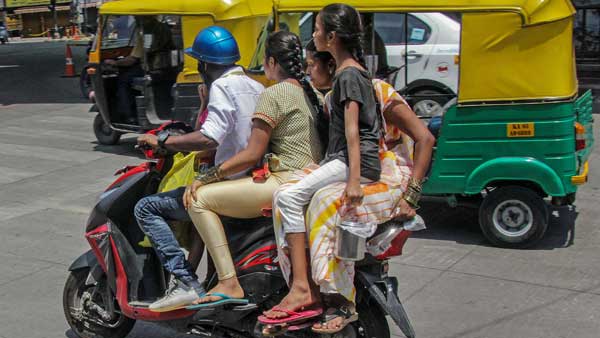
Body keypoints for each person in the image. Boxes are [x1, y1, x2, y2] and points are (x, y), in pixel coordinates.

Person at [265, 3, 435, 334]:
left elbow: (424, 139)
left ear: (329, 56)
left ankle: (334, 297)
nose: (309, 71)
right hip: (357, 170)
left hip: (387, 178)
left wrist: (410, 197)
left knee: (327, 204)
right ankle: (307, 288)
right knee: (288, 197)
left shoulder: (375, 90)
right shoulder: (332, 97)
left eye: (312, 64)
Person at [261, 2, 383, 327]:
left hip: (353, 162)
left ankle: (302, 287)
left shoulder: (348, 75)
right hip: (343, 160)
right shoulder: (348, 73)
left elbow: (354, 133)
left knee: (287, 197)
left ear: (331, 37)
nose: (312, 35)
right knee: (290, 191)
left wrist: (354, 181)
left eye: (316, 29)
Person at [184, 31, 323, 309]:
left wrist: (206, 177)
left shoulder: (274, 93)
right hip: (309, 180)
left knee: (198, 199)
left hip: (285, 180)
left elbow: (251, 154)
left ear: (271, 61)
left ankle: (228, 282)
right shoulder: (311, 93)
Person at [134, 26, 264, 312]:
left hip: (227, 183)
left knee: (146, 207)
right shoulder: (256, 86)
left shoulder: (222, 86)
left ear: (205, 64)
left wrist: (165, 141)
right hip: (252, 182)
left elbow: (208, 137)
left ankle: (184, 281)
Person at [105, 16, 174, 124]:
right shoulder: (163, 28)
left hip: (152, 69)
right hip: (166, 68)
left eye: (137, 18)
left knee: (123, 81)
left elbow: (132, 60)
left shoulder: (145, 32)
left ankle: (129, 116)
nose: (136, 21)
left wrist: (115, 63)